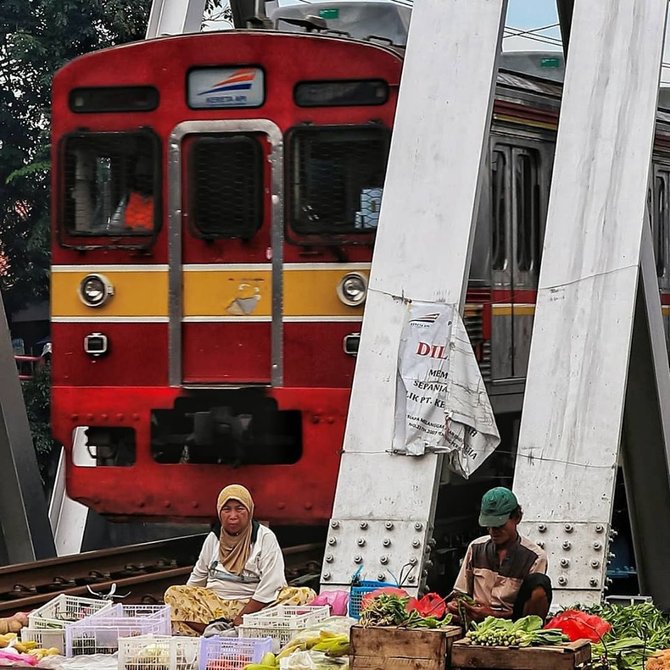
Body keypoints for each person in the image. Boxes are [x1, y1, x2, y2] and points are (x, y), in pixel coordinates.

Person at [164, 484, 315, 636]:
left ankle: (225, 632)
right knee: (173, 594)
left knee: (305, 596)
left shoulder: (265, 537)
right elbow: (198, 576)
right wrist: (187, 598)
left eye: (239, 508)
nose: (233, 516)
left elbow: (272, 583)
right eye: (226, 509)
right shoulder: (214, 538)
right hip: (216, 605)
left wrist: (243, 616)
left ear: (249, 510)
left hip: (254, 607)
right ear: (219, 512)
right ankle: (222, 634)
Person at [446, 486, 552, 622]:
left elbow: (529, 609)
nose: (493, 531)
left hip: (513, 623)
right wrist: (457, 604)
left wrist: (492, 615)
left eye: (499, 525)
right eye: (489, 526)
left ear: (517, 518)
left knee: (540, 582)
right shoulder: (476, 547)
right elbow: (461, 592)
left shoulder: (535, 557)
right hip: (474, 621)